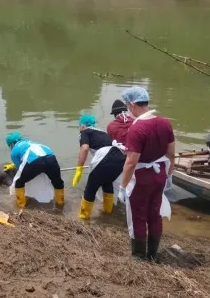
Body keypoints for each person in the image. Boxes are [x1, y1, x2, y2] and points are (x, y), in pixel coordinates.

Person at [117, 87, 175, 261]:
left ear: (133, 105)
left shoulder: (137, 129)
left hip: (142, 177)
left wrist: (122, 186)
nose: (128, 110)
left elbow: (131, 162)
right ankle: (153, 254)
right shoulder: (165, 123)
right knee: (155, 214)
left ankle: (139, 256)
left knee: (138, 216)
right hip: (159, 175)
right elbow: (171, 153)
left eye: (128, 106)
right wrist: (170, 173)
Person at [71, 114, 126, 221]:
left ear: (83, 125)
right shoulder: (102, 132)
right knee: (107, 182)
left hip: (106, 157)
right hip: (121, 159)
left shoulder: (84, 132)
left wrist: (79, 169)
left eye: (79, 126)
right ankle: (108, 213)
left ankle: (83, 218)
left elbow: (84, 148)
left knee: (91, 186)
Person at [5, 132, 65, 209]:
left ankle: (21, 206)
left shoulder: (14, 151)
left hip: (35, 162)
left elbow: (20, 169)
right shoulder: (31, 142)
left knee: (19, 182)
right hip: (51, 159)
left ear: (11, 144)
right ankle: (60, 205)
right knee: (58, 182)